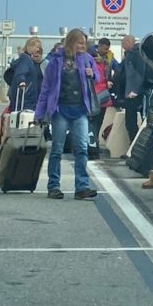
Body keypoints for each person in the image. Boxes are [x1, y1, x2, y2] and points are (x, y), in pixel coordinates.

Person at [34, 28, 99, 200]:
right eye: (80, 42)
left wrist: (93, 74)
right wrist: (40, 113)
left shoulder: (87, 59)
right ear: (71, 42)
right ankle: (53, 186)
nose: (83, 46)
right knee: (57, 150)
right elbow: (46, 89)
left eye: (85, 43)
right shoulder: (55, 62)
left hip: (80, 111)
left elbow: (98, 77)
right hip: (60, 110)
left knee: (82, 149)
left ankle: (82, 187)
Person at [87, 45, 114, 159]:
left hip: (93, 98)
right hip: (103, 99)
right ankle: (95, 147)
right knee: (97, 125)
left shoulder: (89, 66)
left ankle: (92, 149)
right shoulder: (104, 64)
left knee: (90, 125)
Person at [119, 35, 147, 143]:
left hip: (134, 93)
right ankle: (133, 146)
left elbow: (140, 73)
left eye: (123, 43)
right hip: (129, 92)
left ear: (129, 42)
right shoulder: (129, 55)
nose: (122, 46)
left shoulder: (137, 55)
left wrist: (135, 90)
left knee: (131, 122)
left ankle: (134, 147)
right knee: (130, 122)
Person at [7, 37, 44, 112]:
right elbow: (21, 72)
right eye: (37, 47)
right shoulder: (26, 59)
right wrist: (21, 81)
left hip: (27, 96)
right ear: (30, 46)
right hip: (27, 97)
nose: (38, 50)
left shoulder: (27, 59)